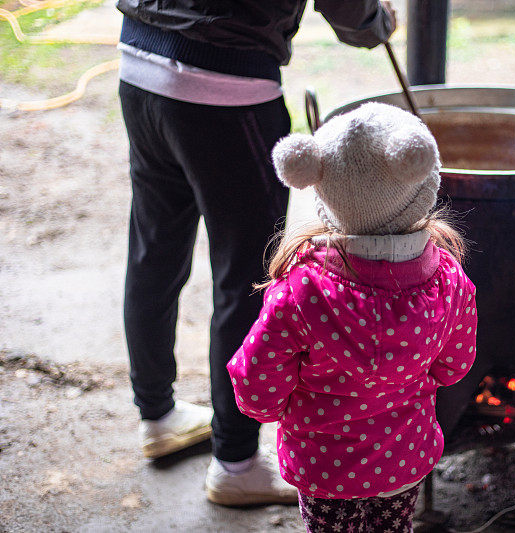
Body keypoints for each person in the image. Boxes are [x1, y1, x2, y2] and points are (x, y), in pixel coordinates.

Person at [115, 0, 397, 506]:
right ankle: (236, 464)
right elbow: (352, 14)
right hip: (226, 85)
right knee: (246, 275)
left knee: (154, 250)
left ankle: (156, 416)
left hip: (140, 62)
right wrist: (377, 20)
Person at [227, 102, 478, 532]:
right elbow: (453, 367)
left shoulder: (301, 293)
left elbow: (255, 384)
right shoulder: (449, 279)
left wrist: (283, 409)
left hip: (325, 466)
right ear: (422, 178)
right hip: (404, 457)